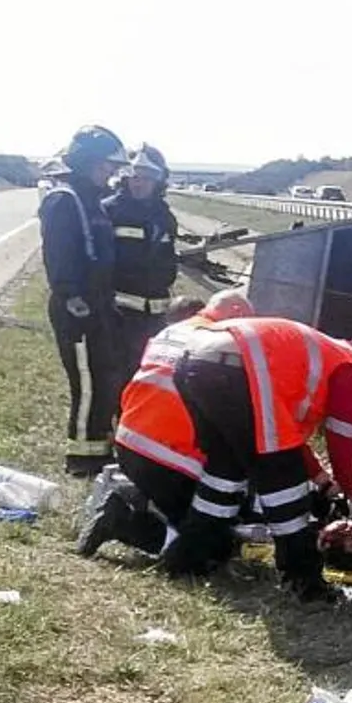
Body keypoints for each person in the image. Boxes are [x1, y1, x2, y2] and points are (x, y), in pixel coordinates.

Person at [156, 315, 352, 599]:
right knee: (283, 478)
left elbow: (287, 436)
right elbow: (341, 441)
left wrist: (320, 477)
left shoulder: (308, 356)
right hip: (237, 370)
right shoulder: (348, 368)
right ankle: (303, 579)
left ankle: (188, 558)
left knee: (225, 471)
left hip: (195, 361)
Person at [80, 287, 255, 563]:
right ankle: (124, 521)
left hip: (129, 441)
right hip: (173, 456)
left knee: (187, 508)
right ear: (235, 312)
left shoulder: (172, 331)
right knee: (213, 546)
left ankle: (140, 499)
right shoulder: (222, 345)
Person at [40, 125, 130, 478]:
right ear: (87, 162)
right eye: (106, 165)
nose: (110, 172)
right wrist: (75, 299)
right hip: (77, 309)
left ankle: (99, 446)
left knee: (105, 378)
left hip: (99, 304)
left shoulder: (91, 199)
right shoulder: (65, 200)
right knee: (89, 383)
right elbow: (59, 257)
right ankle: (82, 458)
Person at [103, 143, 180, 372]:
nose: (139, 182)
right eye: (134, 176)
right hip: (117, 318)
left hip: (155, 320)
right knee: (117, 382)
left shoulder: (165, 216)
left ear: (159, 180)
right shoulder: (109, 211)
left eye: (147, 176)